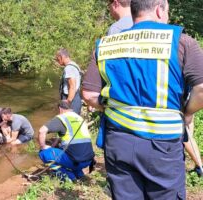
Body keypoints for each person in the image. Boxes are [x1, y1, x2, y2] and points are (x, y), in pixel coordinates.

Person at [82, 0, 203, 199]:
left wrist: (111, 108)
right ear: (159, 9)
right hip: (163, 146)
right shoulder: (182, 41)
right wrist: (187, 112)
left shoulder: (106, 45)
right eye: (167, 12)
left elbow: (88, 94)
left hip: (119, 142)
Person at [38, 101, 95, 181]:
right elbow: (69, 136)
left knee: (43, 153)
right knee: (72, 150)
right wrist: (55, 144)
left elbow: (42, 131)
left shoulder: (62, 118)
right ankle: (79, 174)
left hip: (76, 161)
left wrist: (43, 146)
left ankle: (67, 177)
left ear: (60, 109)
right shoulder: (78, 117)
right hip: (88, 160)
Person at [55, 48, 82, 115]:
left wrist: (68, 101)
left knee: (69, 122)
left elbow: (72, 85)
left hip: (71, 100)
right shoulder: (74, 65)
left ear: (62, 57)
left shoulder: (69, 68)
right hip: (75, 98)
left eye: (57, 59)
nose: (57, 62)